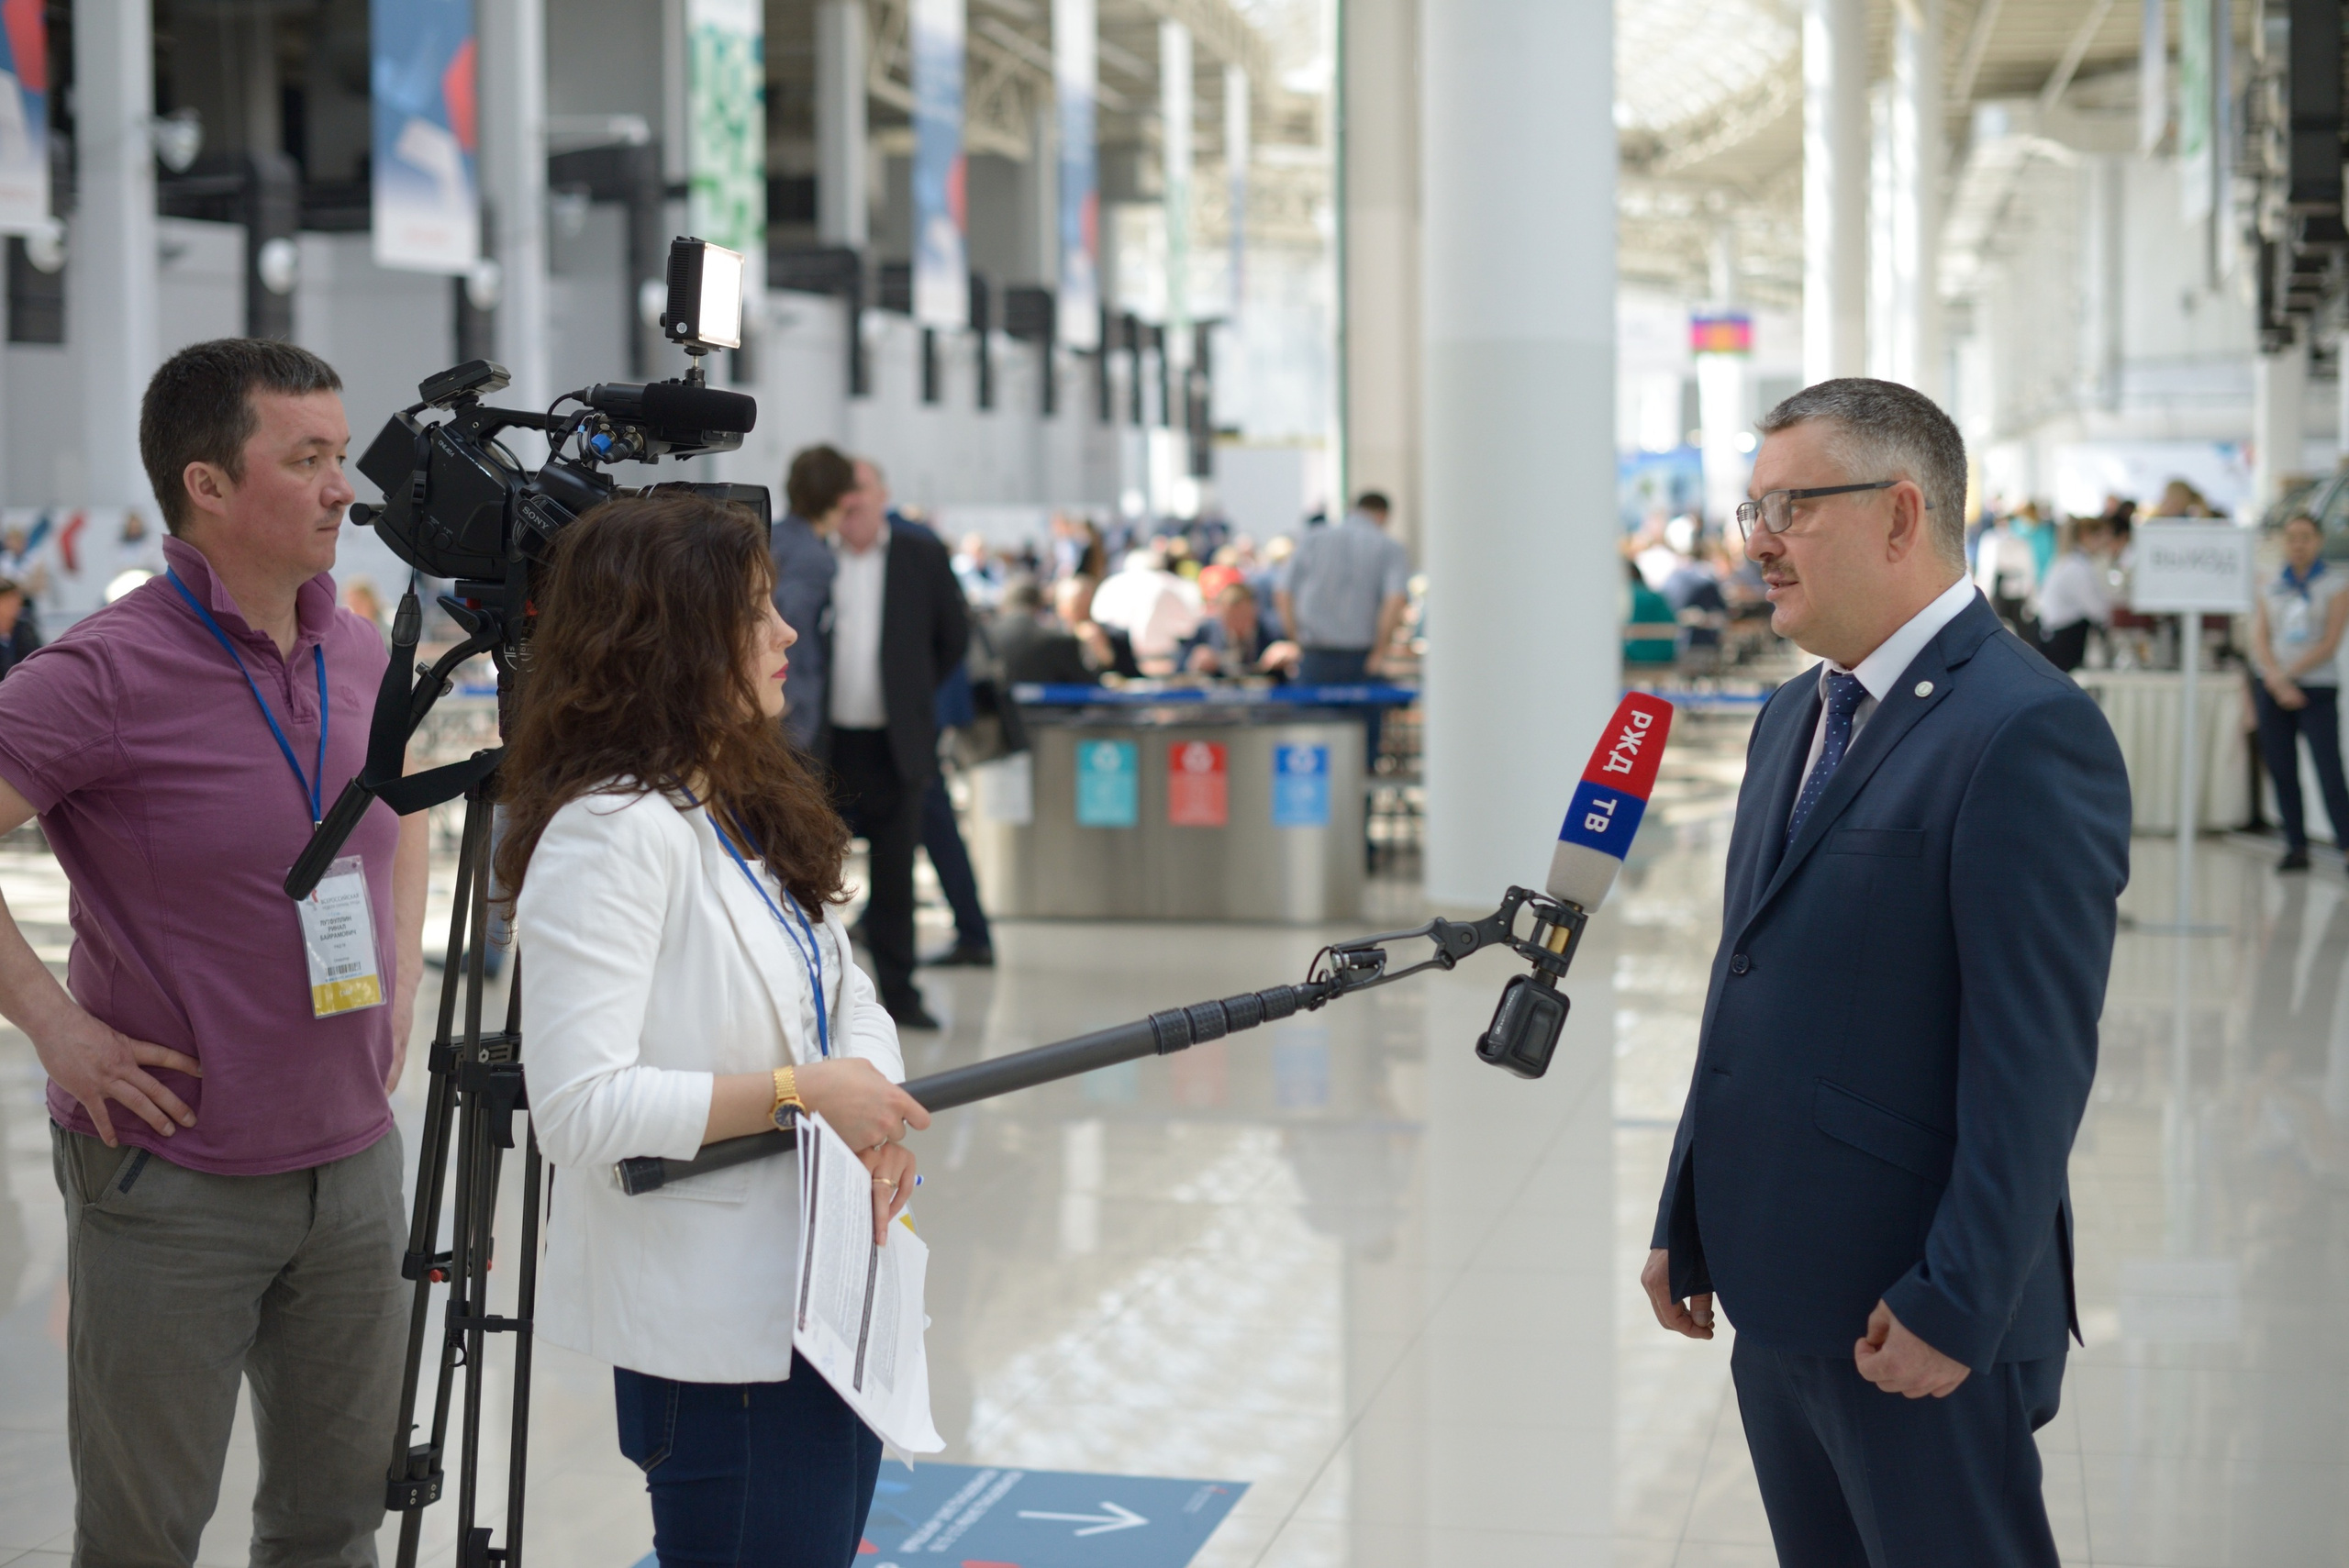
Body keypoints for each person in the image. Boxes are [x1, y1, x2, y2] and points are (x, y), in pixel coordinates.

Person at [1642, 378, 2131, 1568]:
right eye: (1751, 509)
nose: (1755, 541)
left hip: (1911, 1317)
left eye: (1790, 508)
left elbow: (2032, 1064)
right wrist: (1688, 1209)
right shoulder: (1790, 716)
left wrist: (1953, 1301)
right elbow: (1746, 985)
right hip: (1779, 1288)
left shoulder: (2021, 730)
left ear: (1901, 515)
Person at [0, 339, 430, 1562]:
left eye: (342, 456)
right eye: (308, 460)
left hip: (353, 1168)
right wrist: (55, 1025)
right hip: (172, 1176)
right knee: (144, 1534)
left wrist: (392, 983)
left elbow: (401, 829)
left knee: (336, 1520)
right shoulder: (101, 671)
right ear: (208, 485)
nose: (345, 487)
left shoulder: (357, 652)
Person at [498, 493, 930, 1564]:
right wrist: (798, 1090)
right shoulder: (611, 831)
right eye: (754, 613)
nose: (787, 633)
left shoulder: (740, 797)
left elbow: (848, 987)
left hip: (823, 1302)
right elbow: (578, 1107)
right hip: (718, 1341)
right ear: (671, 638)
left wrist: (867, 1102)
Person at [821, 461, 969, 1029]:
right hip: (826, 746)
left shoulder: (918, 555)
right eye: (842, 493)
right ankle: (821, 999)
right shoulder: (816, 556)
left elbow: (952, 635)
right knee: (811, 874)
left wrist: (913, 693)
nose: (851, 502)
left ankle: (900, 995)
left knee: (895, 874)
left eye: (859, 489)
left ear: (882, 495)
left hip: (895, 744)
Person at [2251, 513, 2349, 871]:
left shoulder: (2335, 585)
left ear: (2318, 541)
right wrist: (2276, 680)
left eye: (2306, 537)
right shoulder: (2271, 581)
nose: (2298, 544)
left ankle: (2346, 844)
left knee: (2329, 768)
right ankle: (2296, 845)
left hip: (2316, 687)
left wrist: (2288, 676)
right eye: (2292, 537)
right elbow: (2260, 636)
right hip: (2274, 688)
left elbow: (2330, 641)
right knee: (2282, 767)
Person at [1276, 491, 1412, 687]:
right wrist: (1380, 652)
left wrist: (1295, 640)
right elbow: (1395, 600)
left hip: (1315, 653)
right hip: (1362, 657)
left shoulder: (1313, 539)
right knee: (1362, 715)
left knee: (1312, 717)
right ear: (1383, 515)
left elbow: (1283, 593)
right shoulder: (1389, 547)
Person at [774, 444, 858, 750]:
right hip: (788, 712)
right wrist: (786, 696)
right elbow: (788, 621)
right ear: (841, 498)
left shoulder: (769, 534)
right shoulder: (815, 558)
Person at [2032, 517, 2114, 673]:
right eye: (2099, 537)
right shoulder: (2076, 568)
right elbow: (2097, 611)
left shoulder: (2071, 562)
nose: (2104, 543)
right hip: (2061, 640)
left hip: (2059, 635)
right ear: (2086, 536)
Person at [1183, 582, 1299, 679]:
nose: (1237, 623)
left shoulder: (1274, 630)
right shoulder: (1206, 632)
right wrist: (1196, 662)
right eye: (1230, 618)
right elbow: (1180, 665)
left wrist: (1290, 650)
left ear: (1255, 610)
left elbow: (1303, 651)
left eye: (1243, 616)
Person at [0, 573, 41, 678]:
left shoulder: (23, 628)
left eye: (17, 598)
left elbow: (39, 659)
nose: (17, 603)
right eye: (8, 600)